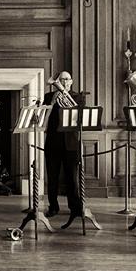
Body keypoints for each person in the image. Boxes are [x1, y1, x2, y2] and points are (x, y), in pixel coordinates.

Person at [42, 71, 86, 220]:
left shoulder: (78, 97)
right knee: (52, 177)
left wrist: (67, 98)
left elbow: (80, 118)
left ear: (71, 81)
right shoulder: (49, 96)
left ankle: (75, 207)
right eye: (61, 79)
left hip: (71, 143)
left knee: (72, 178)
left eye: (67, 79)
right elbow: (43, 118)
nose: (64, 82)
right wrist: (53, 102)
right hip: (53, 142)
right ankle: (53, 207)